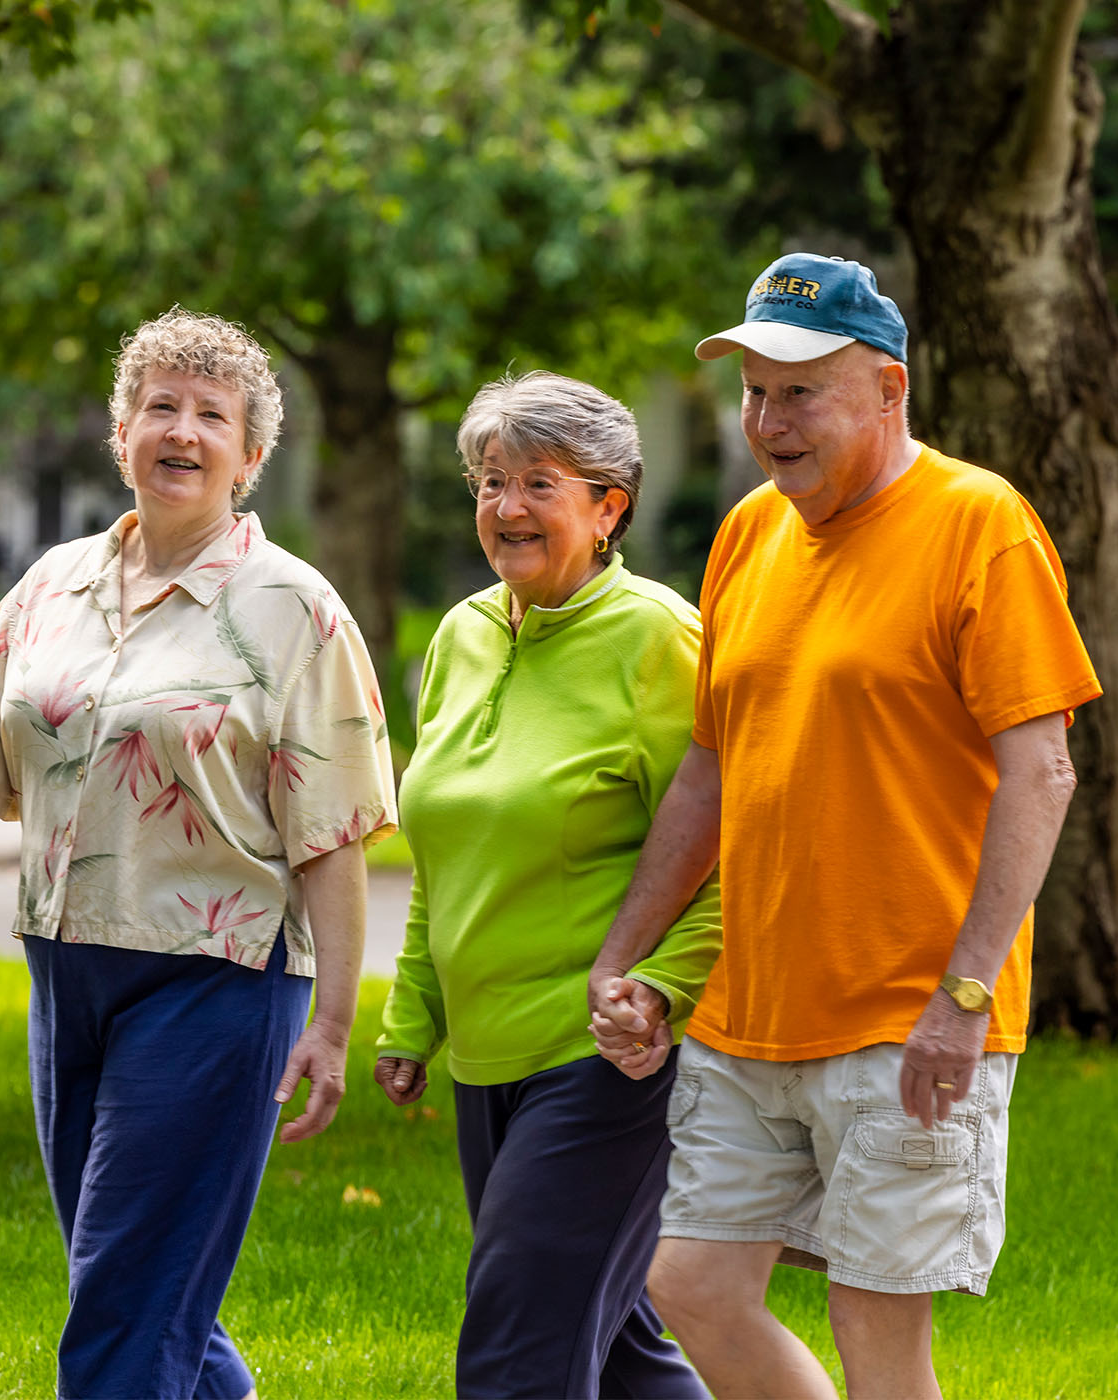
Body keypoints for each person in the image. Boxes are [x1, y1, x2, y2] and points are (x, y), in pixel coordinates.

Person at [0, 308, 397, 1400]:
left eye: (210, 415)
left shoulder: (294, 612)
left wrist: (330, 1021)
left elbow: (331, 832)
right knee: (134, 1282)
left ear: (251, 453)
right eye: (159, 407)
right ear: (119, 428)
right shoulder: (50, 585)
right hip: (66, 969)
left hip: (221, 984)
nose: (181, 432)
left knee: (125, 1309)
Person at [587, 253, 1104, 1400]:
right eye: (753, 391)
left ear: (888, 390)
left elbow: (1043, 771)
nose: (768, 421)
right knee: (691, 1281)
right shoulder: (746, 538)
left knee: (878, 1337)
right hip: (749, 1009)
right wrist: (625, 952)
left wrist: (963, 998)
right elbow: (707, 775)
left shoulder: (979, 524)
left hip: (907, 1011)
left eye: (800, 391)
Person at [373, 371, 720, 1399]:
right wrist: (409, 1019)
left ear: (609, 505)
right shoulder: (463, 635)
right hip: (488, 1058)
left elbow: (734, 851)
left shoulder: (661, 639)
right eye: (489, 481)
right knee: (614, 1352)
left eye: (537, 482)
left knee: (517, 1349)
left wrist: (661, 986)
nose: (506, 507)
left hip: (606, 1053)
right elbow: (445, 850)